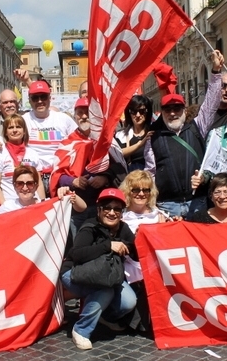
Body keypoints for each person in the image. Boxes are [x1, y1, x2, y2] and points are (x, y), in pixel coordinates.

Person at [144, 50, 223, 218]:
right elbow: (150, 172)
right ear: (162, 111)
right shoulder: (153, 137)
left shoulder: (197, 127)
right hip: (167, 206)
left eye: (177, 109)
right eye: (168, 109)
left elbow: (211, 103)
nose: (172, 113)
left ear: (184, 110)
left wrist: (216, 71)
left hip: (198, 202)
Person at [60, 188, 137, 350]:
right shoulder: (90, 226)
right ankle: (81, 330)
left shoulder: (123, 229)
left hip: (106, 275)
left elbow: (136, 254)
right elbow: (77, 254)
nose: (111, 212)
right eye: (107, 208)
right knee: (105, 290)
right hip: (74, 272)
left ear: (122, 213)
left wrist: (143, 237)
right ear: (99, 210)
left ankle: (103, 315)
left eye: (117, 209)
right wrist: (108, 245)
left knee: (129, 302)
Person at [51, 98, 127, 236]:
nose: (84, 116)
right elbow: (57, 176)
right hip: (76, 208)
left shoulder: (107, 140)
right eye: (80, 113)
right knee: (79, 246)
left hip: (104, 209)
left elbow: (120, 168)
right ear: (74, 116)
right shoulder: (67, 142)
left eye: (88, 112)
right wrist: (72, 181)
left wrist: (105, 177)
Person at [119, 170, 166, 334]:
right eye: (136, 190)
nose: (141, 194)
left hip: (154, 271)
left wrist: (167, 229)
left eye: (145, 190)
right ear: (128, 192)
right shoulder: (120, 217)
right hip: (128, 270)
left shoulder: (160, 216)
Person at [0, 114, 47, 204]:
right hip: (10, 205)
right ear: (5, 132)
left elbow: (38, 182)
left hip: (32, 204)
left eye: (18, 127)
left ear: (24, 131)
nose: (15, 130)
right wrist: (5, 207)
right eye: (11, 127)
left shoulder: (32, 153)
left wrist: (42, 202)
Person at [0, 165, 86, 215]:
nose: (25, 188)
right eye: (20, 184)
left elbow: (82, 208)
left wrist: (69, 194)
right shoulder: (7, 207)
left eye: (30, 183)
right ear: (14, 186)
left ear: (36, 186)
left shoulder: (47, 204)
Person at [114, 96, 154, 172]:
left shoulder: (154, 131)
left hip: (151, 178)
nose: (138, 115)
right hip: (131, 179)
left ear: (147, 112)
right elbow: (118, 153)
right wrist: (139, 144)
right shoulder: (121, 135)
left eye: (142, 111)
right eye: (134, 111)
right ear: (129, 112)